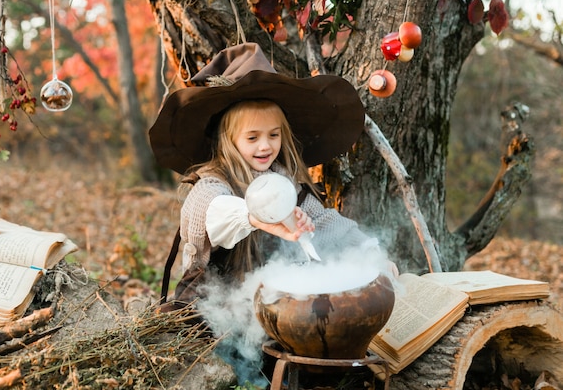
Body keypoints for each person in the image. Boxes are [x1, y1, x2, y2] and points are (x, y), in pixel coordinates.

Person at [150, 42, 394, 309]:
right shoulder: (214, 182)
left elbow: (327, 225)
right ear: (228, 140)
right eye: (252, 137)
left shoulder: (286, 185)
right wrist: (256, 215)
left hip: (270, 308)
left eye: (273, 135)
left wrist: (372, 253)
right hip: (213, 309)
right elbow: (208, 211)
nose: (265, 146)